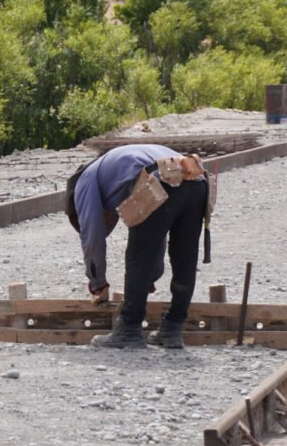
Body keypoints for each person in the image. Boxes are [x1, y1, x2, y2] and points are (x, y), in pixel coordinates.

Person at [65, 143, 211, 349]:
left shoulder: (84, 180)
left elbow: (92, 237)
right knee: (185, 257)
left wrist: (98, 284)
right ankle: (172, 330)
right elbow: (156, 232)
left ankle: (129, 329)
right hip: (197, 180)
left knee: (137, 256)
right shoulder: (118, 163)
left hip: (158, 179)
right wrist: (149, 277)